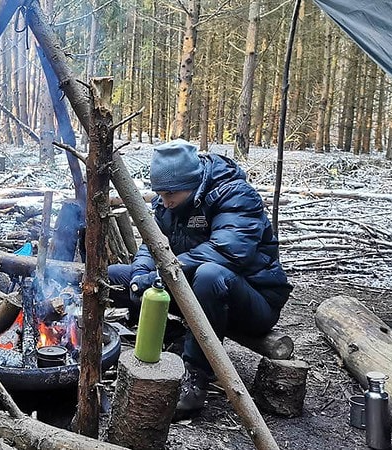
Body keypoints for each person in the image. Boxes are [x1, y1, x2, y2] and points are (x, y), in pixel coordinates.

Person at [108, 139, 292, 418]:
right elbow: (151, 244)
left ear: (193, 182)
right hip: (194, 291)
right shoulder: (169, 203)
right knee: (115, 277)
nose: (165, 201)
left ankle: (195, 377)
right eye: (160, 193)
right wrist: (140, 275)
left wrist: (160, 274)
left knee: (209, 275)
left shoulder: (236, 196)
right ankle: (176, 335)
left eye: (171, 193)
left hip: (253, 301)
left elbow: (227, 252)